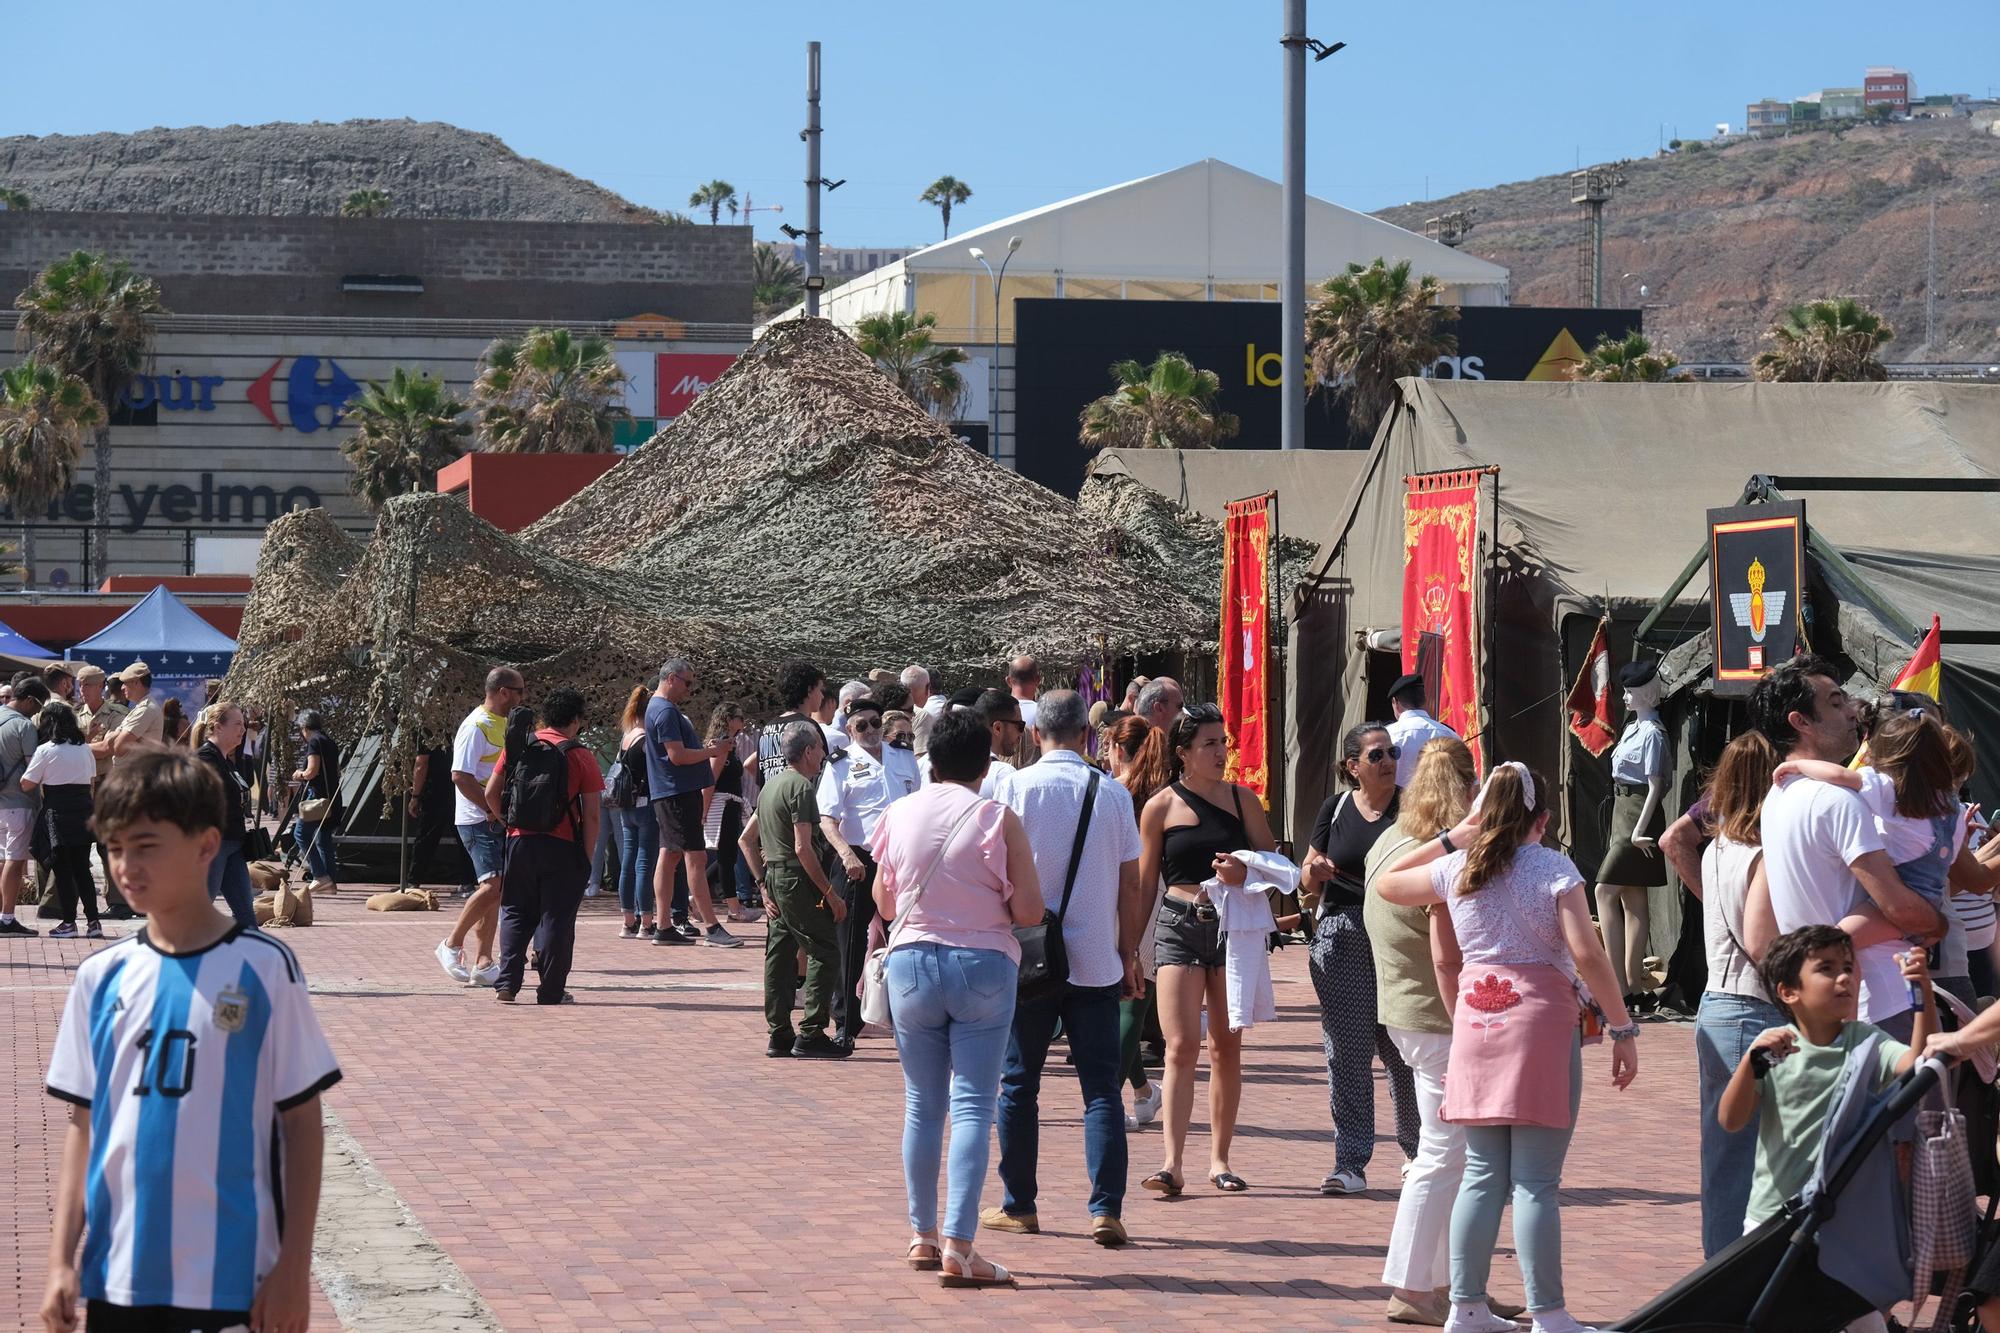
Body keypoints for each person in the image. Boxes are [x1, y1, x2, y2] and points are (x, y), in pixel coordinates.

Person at [39, 748, 340, 1333]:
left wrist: (293, 1269)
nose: (126, 866)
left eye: (146, 846)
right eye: (116, 848)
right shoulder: (100, 977)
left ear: (206, 846)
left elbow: (302, 1123)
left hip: (230, 1276)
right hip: (117, 1274)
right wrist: (60, 1261)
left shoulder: (265, 967)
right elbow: (85, 1124)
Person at [1375, 762, 1639, 1333]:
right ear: (1540, 818)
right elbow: (1588, 954)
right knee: (1536, 1180)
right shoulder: (1553, 867)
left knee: (1480, 1172)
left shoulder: (1456, 867)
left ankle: (1465, 1308)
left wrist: (1454, 836)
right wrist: (1621, 1026)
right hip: (1541, 1020)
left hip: (1476, 1017)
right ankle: (1548, 1313)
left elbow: (1388, 882)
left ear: (1481, 812)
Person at [870, 707, 1045, 1288]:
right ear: (985, 763)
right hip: (983, 965)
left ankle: (921, 1234)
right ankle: (959, 1244)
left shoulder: (898, 813)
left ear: (931, 760)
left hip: (912, 964)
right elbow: (1029, 911)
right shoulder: (996, 817)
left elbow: (887, 903)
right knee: (973, 1102)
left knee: (922, 1102)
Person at [1362, 737, 1518, 1328]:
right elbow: (1452, 950)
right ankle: (1412, 1286)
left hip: (1410, 1011)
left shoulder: (1395, 842)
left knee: (1453, 1157)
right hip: (1438, 1016)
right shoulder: (1439, 856)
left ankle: (1453, 1285)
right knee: (1444, 1155)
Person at [987, 691, 1145, 1247]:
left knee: (1018, 1084)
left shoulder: (1012, 787)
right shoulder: (1113, 795)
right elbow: (1131, 882)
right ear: (1087, 735)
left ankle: (1020, 1203)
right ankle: (1106, 1208)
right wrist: (1129, 952)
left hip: (1028, 956)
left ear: (1036, 734)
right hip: (1097, 957)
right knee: (1102, 1088)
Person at [1752, 655, 1944, 1039]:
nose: (1853, 713)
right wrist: (1938, 923)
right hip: (1882, 1000)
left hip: (1827, 1001)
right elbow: (1900, 907)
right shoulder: (1838, 800)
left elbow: (1760, 932)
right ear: (1800, 722)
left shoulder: (1777, 796)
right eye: (1836, 704)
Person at [1138, 702, 1277, 1197]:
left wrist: (1246, 872)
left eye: (1223, 742)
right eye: (1209, 744)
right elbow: (1142, 884)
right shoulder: (1160, 806)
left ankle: (1220, 1159)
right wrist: (1131, 949)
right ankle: (1171, 1163)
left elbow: (1274, 860)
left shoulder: (1244, 801)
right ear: (1184, 753)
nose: (1221, 752)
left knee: (1226, 1045)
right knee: (1180, 1047)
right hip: (1178, 921)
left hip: (1231, 925)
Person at [1720, 926, 1932, 1238]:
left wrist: (1922, 996)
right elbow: (1731, 1120)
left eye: (1847, 967)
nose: (1844, 977)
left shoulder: (1865, 1041)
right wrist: (1751, 1063)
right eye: (1826, 969)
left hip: (1844, 1218)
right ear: (1789, 992)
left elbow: (1917, 1065)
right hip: (1773, 1216)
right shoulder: (1776, 1049)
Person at [1303, 720, 1420, 1195]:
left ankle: (1418, 1154)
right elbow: (1306, 881)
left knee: (1405, 1051)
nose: (1388, 760)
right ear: (1353, 767)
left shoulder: (1413, 809)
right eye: (1376, 755)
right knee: (1347, 1053)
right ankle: (1350, 1162)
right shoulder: (1335, 809)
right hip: (1346, 935)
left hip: (1400, 937)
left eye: (1391, 752)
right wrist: (1316, 870)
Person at [1691, 730, 1789, 1260]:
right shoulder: (1760, 853)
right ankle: (1738, 1283)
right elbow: (1762, 942)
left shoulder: (1718, 846)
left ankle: (1716, 1273)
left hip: (1716, 1005)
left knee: (1724, 1157)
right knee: (1760, 1161)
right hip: (1754, 1008)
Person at [487, 687, 603, 1006]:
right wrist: (587, 856)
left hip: (519, 842)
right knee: (556, 916)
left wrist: (508, 822)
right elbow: (592, 815)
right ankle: (551, 990)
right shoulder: (580, 755)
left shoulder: (521, 746)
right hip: (562, 845)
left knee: (514, 911)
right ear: (576, 720)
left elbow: (491, 793)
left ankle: (507, 984)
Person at [739, 722, 848, 1058]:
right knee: (825, 950)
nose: (823, 755)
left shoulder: (771, 787)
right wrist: (830, 892)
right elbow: (804, 848)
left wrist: (762, 884)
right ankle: (812, 1032)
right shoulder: (801, 787)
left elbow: (746, 840)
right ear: (808, 751)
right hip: (797, 879)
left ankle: (779, 1032)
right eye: (819, 748)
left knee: (780, 956)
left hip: (776, 877)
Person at [818, 696, 921, 1047]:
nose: (871, 731)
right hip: (858, 860)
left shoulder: (904, 757)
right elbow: (827, 819)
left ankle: (909, 1016)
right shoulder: (841, 765)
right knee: (850, 940)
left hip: (900, 861)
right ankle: (847, 1024)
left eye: (875, 723)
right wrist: (846, 854)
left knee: (906, 937)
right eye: (862, 725)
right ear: (849, 730)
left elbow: (920, 806)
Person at [438, 666, 525, 987]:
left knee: (496, 890)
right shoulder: (475, 725)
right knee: (491, 886)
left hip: (497, 817)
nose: (522, 697)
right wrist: (490, 808)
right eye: (519, 691)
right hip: (477, 820)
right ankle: (451, 944)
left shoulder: (506, 724)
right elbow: (460, 775)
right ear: (503, 691)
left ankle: (484, 960)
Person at [645, 658, 740, 947]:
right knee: (695, 857)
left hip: (671, 792)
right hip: (678, 793)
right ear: (672, 678)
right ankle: (711, 927)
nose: (690, 689)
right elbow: (677, 756)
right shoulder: (664, 711)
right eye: (687, 682)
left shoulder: (660, 709)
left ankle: (663, 925)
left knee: (670, 854)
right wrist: (713, 750)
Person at [1104, 716, 1169, 1129]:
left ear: (1120, 750)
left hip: (1117, 892)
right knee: (1133, 997)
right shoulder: (1161, 796)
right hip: (1149, 890)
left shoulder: (1113, 794)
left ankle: (1115, 1098)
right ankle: (1138, 1093)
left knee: (1127, 997)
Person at [22, 700, 100, 940]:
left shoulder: (46, 749)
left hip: (58, 811)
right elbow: (92, 782)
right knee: (82, 869)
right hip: (84, 809)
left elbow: (27, 784)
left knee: (63, 871)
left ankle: (68, 922)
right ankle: (94, 921)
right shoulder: (85, 748)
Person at [192, 702, 258, 930]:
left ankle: (254, 960)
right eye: (237, 724)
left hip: (234, 844)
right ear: (218, 727)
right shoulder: (204, 759)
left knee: (245, 911)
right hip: (214, 845)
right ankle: (178, 958)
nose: (242, 729)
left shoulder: (226, 760)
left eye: (244, 724)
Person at [73, 664, 130, 919]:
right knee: (76, 845)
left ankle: (118, 902)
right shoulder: (75, 715)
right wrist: (92, 743)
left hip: (108, 783)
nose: (82, 690)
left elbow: (111, 749)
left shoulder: (117, 713)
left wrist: (80, 745)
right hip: (83, 785)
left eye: (88, 685)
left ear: (101, 687)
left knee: (110, 843)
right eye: (80, 685)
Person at [610, 685, 659, 938]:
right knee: (644, 864)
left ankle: (629, 920)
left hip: (626, 806)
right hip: (646, 804)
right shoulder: (647, 738)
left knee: (627, 863)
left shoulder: (627, 736)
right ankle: (647, 922)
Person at [703, 701, 758, 923]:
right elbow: (710, 781)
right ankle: (734, 908)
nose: (743, 721)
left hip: (731, 803)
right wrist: (703, 811)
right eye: (739, 717)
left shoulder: (730, 744)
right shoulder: (721, 746)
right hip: (722, 805)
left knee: (728, 855)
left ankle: (695, 897)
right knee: (727, 856)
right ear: (728, 719)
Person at [0, 677, 47, 935]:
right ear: (30, 700)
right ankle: (7, 918)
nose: (38, 712)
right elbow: (33, 769)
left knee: (1, 859)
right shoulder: (24, 726)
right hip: (19, 802)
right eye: (38, 706)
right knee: (14, 862)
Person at [287, 709, 341, 896]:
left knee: (300, 833)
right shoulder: (329, 741)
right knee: (323, 839)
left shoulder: (314, 742)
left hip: (316, 798)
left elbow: (311, 771)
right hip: (331, 797)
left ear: (304, 728)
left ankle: (319, 875)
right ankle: (330, 883)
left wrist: (298, 774)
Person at [1384, 672, 1459, 789]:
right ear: (1424, 701)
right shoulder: (1449, 734)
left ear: (1395, 702)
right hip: (1438, 805)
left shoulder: (1385, 735)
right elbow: (1470, 783)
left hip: (1394, 806)